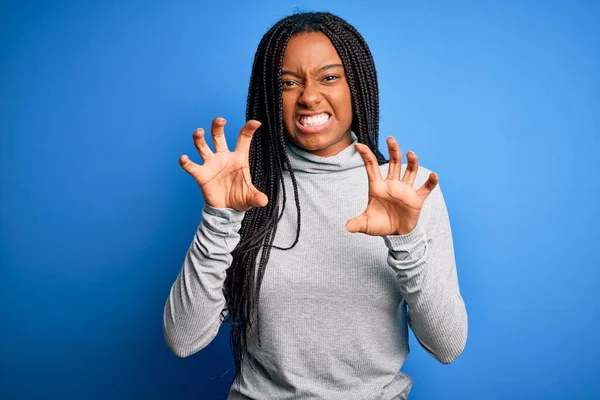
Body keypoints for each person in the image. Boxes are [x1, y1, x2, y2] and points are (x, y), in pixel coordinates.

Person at [163, 11, 468, 400]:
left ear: (356, 85)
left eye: (329, 77)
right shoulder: (247, 189)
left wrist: (405, 241)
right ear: (270, 96)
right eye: (288, 83)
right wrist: (219, 218)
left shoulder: (406, 189)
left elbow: (448, 346)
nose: (308, 96)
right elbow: (183, 339)